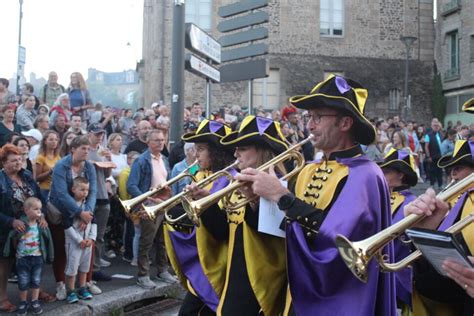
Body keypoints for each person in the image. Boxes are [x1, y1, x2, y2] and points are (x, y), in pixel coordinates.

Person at [236, 75, 396, 315]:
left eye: (318, 117)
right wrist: (257, 202)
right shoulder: (307, 169)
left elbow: (336, 241)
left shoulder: (366, 175)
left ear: (344, 123)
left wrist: (282, 197)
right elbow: (287, 232)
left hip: (341, 298)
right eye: (309, 117)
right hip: (301, 289)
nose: (309, 125)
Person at [199, 115, 289, 315]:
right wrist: (206, 203)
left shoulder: (279, 183)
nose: (235, 153)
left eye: (243, 148)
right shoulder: (237, 182)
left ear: (262, 151)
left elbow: (274, 237)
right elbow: (222, 231)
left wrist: (256, 201)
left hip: (261, 281)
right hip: (236, 276)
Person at [165, 119, 235, 315]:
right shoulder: (201, 176)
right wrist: (168, 203)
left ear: (217, 150)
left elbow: (222, 230)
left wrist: (207, 201)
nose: (196, 154)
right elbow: (190, 219)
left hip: (221, 264)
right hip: (202, 261)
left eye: (201, 148)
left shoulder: (231, 179)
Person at [404, 139, 474, 316]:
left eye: (459, 167)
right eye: (452, 169)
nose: (453, 174)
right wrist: (424, 235)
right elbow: (441, 289)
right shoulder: (460, 203)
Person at [49, 136, 99, 300]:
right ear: (73, 149)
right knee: (62, 249)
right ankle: (61, 285)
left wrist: (88, 213)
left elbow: (92, 192)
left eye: (88, 149)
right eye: (83, 148)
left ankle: (85, 283)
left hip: (83, 212)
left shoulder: (89, 167)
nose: (86, 152)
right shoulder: (61, 165)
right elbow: (62, 194)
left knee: (86, 248)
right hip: (61, 211)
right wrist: (79, 213)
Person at [0, 145, 48, 313]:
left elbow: (39, 197)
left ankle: (36, 293)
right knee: (5, 263)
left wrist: (41, 215)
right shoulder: (0, 179)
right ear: (3, 163)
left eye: (20, 159)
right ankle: (3, 298)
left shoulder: (26, 175)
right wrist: (10, 221)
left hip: (31, 226)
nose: (18, 163)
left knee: (34, 260)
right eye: (13, 160)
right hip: (8, 228)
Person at [127, 129, 176, 289]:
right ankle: (143, 275)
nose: (160, 143)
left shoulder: (165, 160)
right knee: (146, 241)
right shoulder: (141, 161)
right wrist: (146, 199)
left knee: (163, 241)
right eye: (156, 140)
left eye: (162, 140)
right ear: (148, 142)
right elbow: (131, 185)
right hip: (149, 205)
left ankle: (162, 270)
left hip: (163, 204)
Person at [378, 149, 418, 315]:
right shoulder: (380, 196)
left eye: (386, 172)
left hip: (397, 277)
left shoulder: (412, 203)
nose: (382, 175)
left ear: (400, 175)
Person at [3, 197, 53, 315]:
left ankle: (35, 301)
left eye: (40, 209)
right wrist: (15, 252)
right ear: (26, 210)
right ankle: (23, 302)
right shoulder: (21, 224)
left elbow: (48, 240)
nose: (39, 212)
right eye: (36, 209)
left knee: (36, 280)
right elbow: (12, 237)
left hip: (37, 257)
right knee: (23, 281)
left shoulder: (41, 225)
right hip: (23, 259)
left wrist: (49, 256)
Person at [63, 177, 97, 304]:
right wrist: (78, 240)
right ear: (73, 189)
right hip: (74, 243)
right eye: (82, 189)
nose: (85, 192)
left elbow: (94, 222)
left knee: (84, 266)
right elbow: (66, 225)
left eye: (87, 190)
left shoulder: (88, 205)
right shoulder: (69, 206)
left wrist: (91, 238)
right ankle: (70, 290)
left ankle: (82, 287)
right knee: (72, 267)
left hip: (87, 242)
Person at [34, 130, 61, 200]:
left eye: (56, 140)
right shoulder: (40, 157)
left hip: (56, 189)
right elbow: (37, 178)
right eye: (51, 139)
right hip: (44, 190)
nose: (54, 142)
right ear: (45, 141)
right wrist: (50, 171)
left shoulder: (58, 157)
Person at [425, 118, 444, 189]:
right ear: (432, 126)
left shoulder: (440, 134)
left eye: (437, 125)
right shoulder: (428, 135)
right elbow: (426, 146)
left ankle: (440, 184)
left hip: (440, 156)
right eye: (434, 125)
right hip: (432, 156)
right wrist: (428, 156)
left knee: (440, 171)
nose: (436, 127)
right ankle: (432, 184)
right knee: (432, 170)